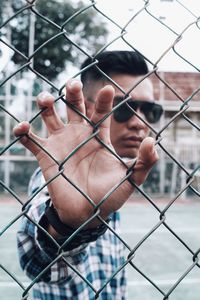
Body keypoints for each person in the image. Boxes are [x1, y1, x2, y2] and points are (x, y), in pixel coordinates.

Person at [14, 51, 163, 299]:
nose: (140, 122)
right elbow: (36, 261)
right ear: (86, 106)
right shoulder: (56, 179)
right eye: (123, 107)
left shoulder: (115, 180)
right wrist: (66, 225)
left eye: (150, 109)